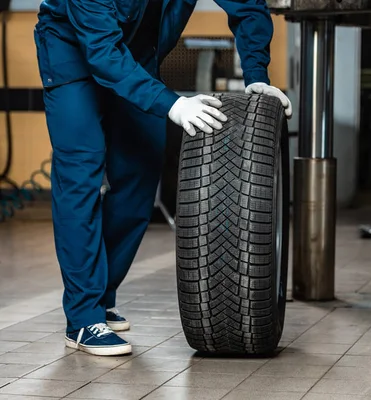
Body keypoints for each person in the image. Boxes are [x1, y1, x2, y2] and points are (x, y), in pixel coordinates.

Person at [34, 0, 292, 357]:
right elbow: (101, 53)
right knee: (81, 177)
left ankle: (101, 296)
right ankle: (83, 318)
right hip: (74, 53)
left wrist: (257, 75)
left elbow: (247, 5)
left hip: (136, 57)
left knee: (141, 170)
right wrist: (173, 104)